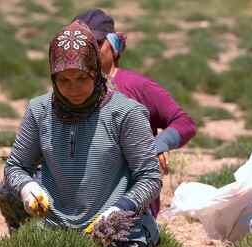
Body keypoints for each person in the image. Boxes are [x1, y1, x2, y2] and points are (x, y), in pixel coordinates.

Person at [0, 20, 161, 247]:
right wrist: (26, 188)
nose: (73, 89)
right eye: (64, 80)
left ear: (96, 73)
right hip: (57, 233)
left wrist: (121, 210)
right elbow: (16, 166)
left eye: (82, 79)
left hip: (117, 236)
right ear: (53, 78)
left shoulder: (126, 113)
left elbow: (150, 178)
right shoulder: (40, 110)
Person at [74, 9, 197, 217]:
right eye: (81, 45)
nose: (88, 51)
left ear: (112, 48)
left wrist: (160, 143)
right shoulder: (67, 90)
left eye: (96, 43)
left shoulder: (136, 86)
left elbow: (184, 123)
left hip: (130, 201)